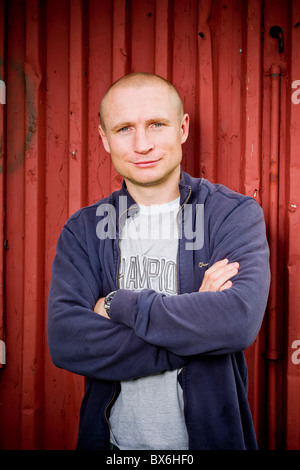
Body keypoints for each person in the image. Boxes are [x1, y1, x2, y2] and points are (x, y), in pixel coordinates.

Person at [47, 72, 270, 450]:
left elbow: (236, 322)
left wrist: (120, 304)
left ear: (182, 128)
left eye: (156, 125)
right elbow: (67, 340)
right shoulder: (83, 230)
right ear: (104, 138)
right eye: (123, 129)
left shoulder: (231, 214)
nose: (142, 144)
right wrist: (197, 324)